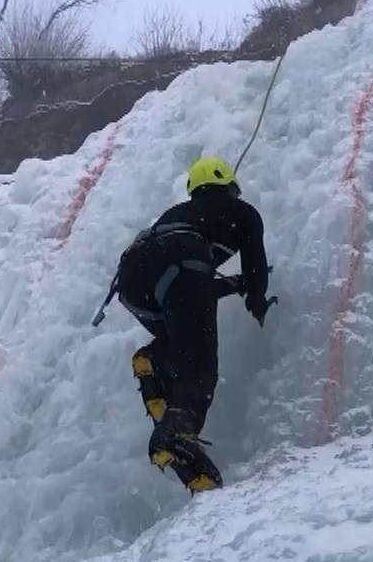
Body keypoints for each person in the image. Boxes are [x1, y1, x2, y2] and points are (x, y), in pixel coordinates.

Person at [92, 156, 276, 492]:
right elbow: (253, 267)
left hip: (133, 278)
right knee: (201, 367)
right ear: (227, 184)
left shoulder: (178, 214)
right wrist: (257, 298)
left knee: (184, 341)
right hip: (180, 263)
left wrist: (233, 285)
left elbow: (191, 291)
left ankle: (153, 360)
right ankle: (176, 436)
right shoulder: (241, 213)